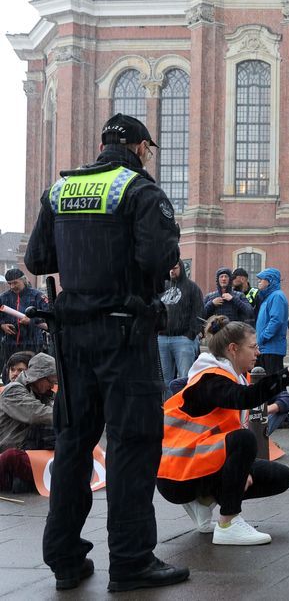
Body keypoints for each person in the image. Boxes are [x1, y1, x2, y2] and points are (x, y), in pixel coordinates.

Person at [25, 113, 188, 591]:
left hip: (71, 339)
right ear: (140, 147)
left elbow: (38, 260)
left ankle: (65, 559)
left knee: (73, 445)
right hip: (125, 334)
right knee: (132, 445)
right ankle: (132, 561)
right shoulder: (139, 191)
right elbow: (159, 258)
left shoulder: (61, 191)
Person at [157, 316, 289, 545]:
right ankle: (228, 522)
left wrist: (238, 470)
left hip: (196, 466)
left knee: (280, 476)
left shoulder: (226, 376)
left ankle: (203, 503)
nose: (258, 352)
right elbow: (246, 398)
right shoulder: (211, 379)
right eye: (253, 347)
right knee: (243, 440)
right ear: (233, 349)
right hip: (177, 476)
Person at [0, 353, 57, 493]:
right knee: (12, 456)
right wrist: (69, 417)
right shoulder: (13, 390)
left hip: (33, 450)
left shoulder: (45, 394)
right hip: (11, 449)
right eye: (50, 380)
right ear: (39, 376)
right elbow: (37, 413)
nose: (51, 385)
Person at [158, 261, 204, 385]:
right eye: (169, 268)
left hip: (183, 339)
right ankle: (167, 405)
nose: (172, 271)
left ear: (181, 268)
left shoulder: (192, 288)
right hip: (162, 338)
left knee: (185, 379)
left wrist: (190, 334)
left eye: (175, 268)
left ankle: (184, 404)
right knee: (164, 381)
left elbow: (198, 312)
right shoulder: (161, 286)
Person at [0, 268, 49, 367]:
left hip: (32, 344)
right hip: (10, 344)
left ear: (23, 280)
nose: (12, 286)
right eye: (9, 284)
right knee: (11, 373)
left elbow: (48, 315)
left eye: (15, 283)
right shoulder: (3, 297)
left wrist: (32, 321)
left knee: (32, 372)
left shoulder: (37, 296)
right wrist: (2, 325)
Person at [254, 268, 288, 375]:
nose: (259, 282)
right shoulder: (269, 297)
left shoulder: (277, 296)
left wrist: (263, 337)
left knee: (273, 384)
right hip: (266, 348)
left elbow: (276, 320)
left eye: (261, 279)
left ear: (270, 280)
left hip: (272, 348)